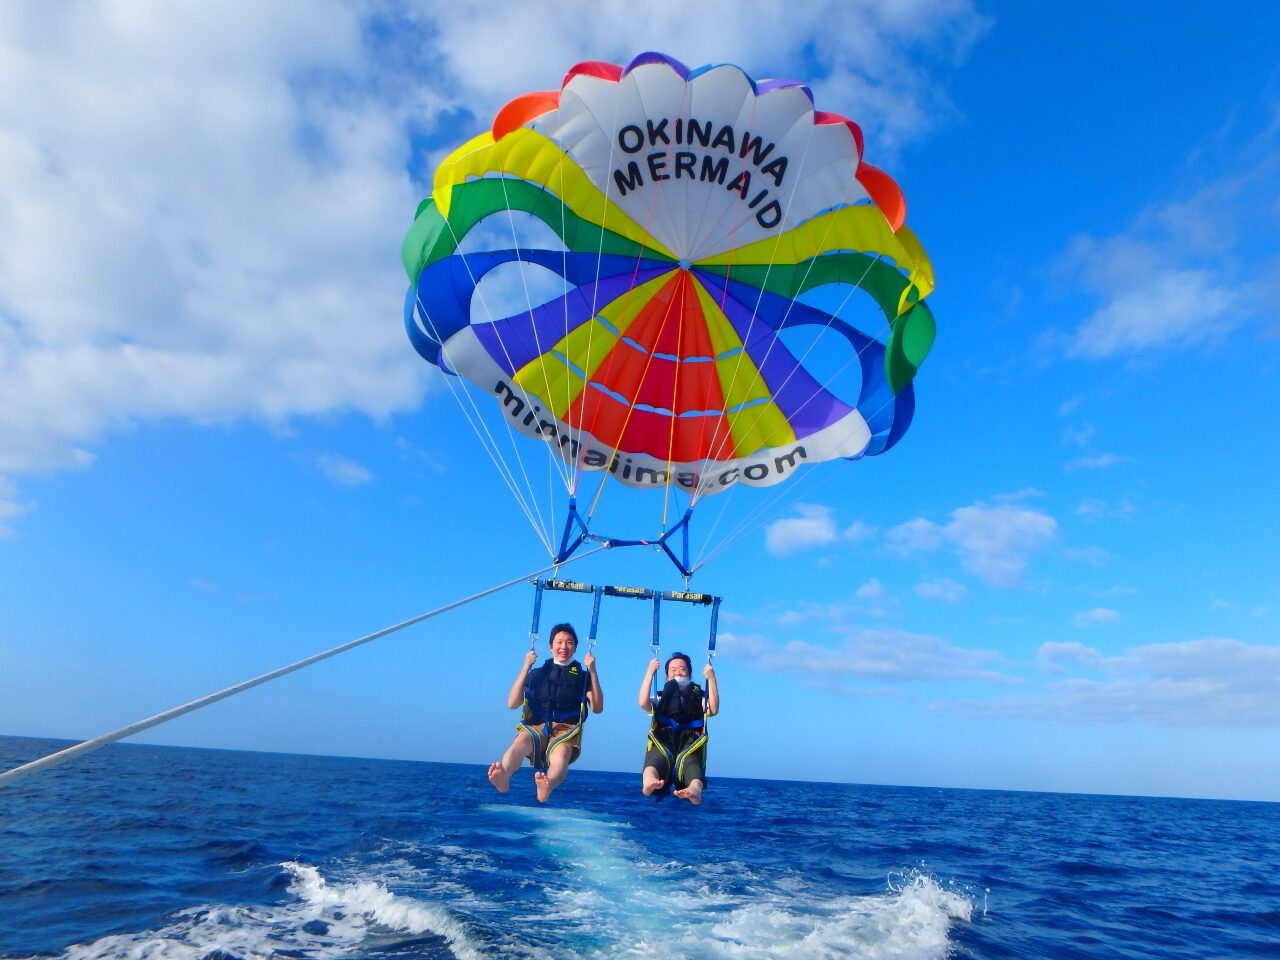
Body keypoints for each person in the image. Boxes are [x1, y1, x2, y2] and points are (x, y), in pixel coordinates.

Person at [487, 623, 603, 803]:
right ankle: (504, 775)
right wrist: (526, 666)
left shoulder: (583, 676)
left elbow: (597, 707)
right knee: (521, 742)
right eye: (559, 642)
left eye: (569, 642)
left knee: (561, 753)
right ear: (551, 647)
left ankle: (548, 785)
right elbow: (512, 703)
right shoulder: (537, 674)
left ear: (575, 647)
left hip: (566, 729)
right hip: (536, 725)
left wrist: (593, 671)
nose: (564, 647)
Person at [638, 652, 718, 804]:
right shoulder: (660, 697)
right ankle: (649, 781)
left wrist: (711, 679)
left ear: (689, 673)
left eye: (682, 669)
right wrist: (650, 672)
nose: (678, 672)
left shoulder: (699, 697)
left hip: (690, 740)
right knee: (655, 760)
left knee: (692, 764)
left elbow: (713, 709)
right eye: (673, 670)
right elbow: (643, 703)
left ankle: (694, 789)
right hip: (663, 737)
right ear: (667, 675)